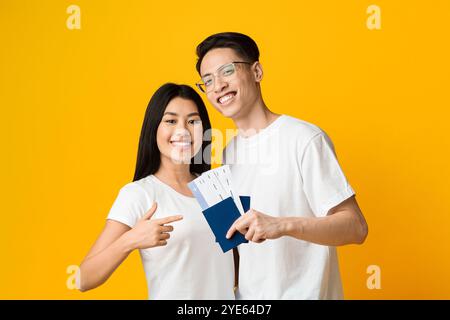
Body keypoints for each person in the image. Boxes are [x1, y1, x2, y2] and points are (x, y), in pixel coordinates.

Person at [194, 32, 369, 299]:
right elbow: (243, 245)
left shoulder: (304, 139)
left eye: (226, 71)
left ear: (257, 71)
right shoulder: (228, 154)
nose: (217, 85)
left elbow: (356, 227)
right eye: (208, 81)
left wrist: (282, 225)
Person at [78, 83, 235, 299]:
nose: (183, 130)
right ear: (154, 129)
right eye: (171, 121)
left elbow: (232, 268)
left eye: (192, 121)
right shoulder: (138, 194)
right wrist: (131, 239)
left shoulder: (215, 187)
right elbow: (83, 278)